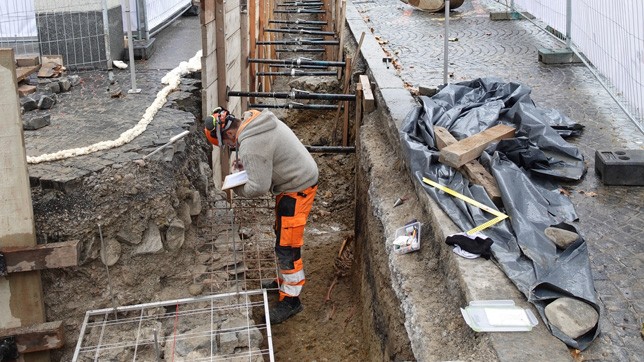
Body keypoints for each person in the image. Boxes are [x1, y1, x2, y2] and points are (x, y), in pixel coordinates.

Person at [204, 107, 318, 324]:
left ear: (228, 134)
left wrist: (235, 187)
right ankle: (284, 282)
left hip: (298, 186)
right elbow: (263, 160)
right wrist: (247, 166)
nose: (230, 147)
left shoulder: (251, 143)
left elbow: (258, 187)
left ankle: (292, 300)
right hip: (293, 181)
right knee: (281, 233)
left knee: (287, 245)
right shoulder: (253, 121)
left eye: (226, 145)